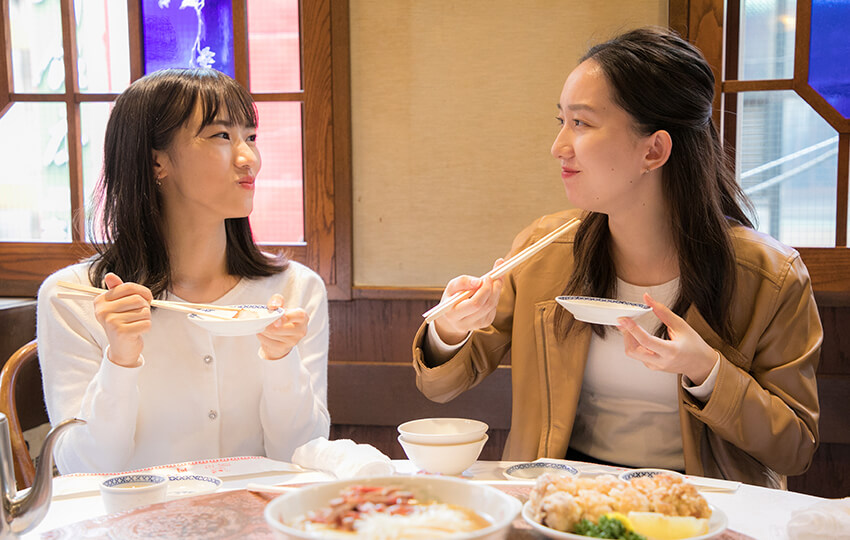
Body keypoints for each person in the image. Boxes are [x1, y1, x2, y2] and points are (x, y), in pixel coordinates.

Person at [412, 27, 822, 488]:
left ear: (654, 150)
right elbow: (438, 386)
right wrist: (450, 327)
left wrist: (706, 369)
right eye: (561, 121)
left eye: (581, 123)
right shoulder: (542, 251)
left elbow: (795, 448)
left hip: (698, 508)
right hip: (560, 501)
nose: (559, 146)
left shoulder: (769, 275)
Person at [37, 68, 330, 474]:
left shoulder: (295, 290)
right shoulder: (74, 297)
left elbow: (303, 454)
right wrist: (119, 359)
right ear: (157, 161)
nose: (250, 159)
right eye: (222, 136)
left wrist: (281, 358)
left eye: (251, 137)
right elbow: (82, 468)